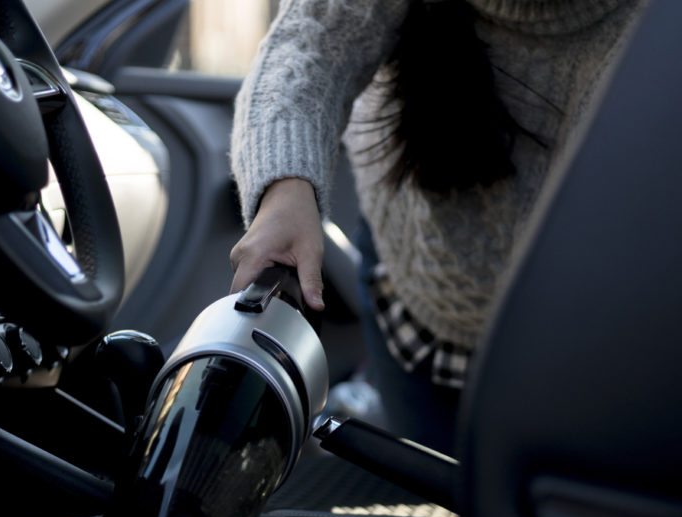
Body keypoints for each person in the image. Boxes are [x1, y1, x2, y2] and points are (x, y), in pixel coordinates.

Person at [229, 0, 646, 454]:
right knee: (438, 510)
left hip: (594, 339)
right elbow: (306, 52)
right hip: (408, 290)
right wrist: (284, 192)